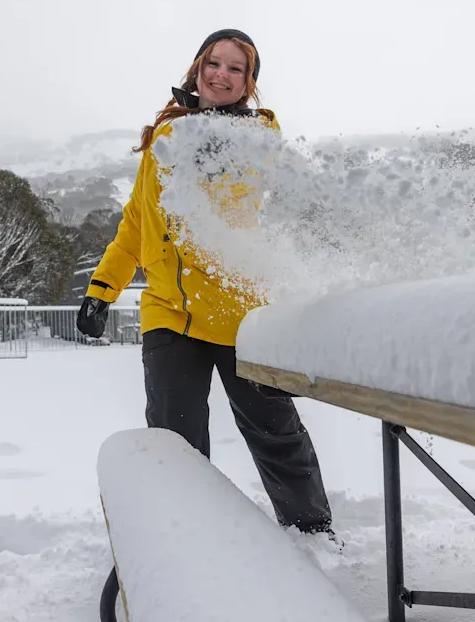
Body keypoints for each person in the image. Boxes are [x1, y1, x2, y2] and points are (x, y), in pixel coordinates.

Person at [77, 28, 335, 540]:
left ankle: (312, 533)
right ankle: (184, 542)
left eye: (236, 69)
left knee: (275, 431)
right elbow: (136, 224)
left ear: (248, 83)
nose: (221, 75)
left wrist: (219, 140)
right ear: (197, 68)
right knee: (175, 442)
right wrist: (101, 289)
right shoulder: (165, 135)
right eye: (213, 63)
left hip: (240, 313)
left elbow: (252, 180)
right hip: (168, 313)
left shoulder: (258, 135)